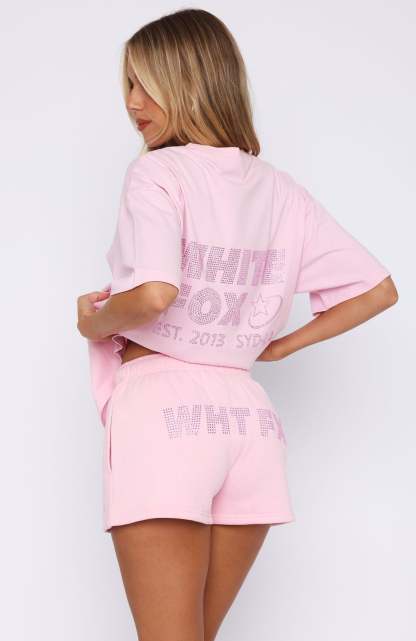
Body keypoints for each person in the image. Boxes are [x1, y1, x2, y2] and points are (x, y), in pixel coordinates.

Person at [76, 8, 398, 641]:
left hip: (164, 411)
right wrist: (277, 347)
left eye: (146, 83)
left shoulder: (158, 172)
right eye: (128, 85)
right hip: (248, 417)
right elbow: (377, 290)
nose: (133, 103)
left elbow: (155, 293)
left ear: (188, 81)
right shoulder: (279, 190)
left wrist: (94, 323)